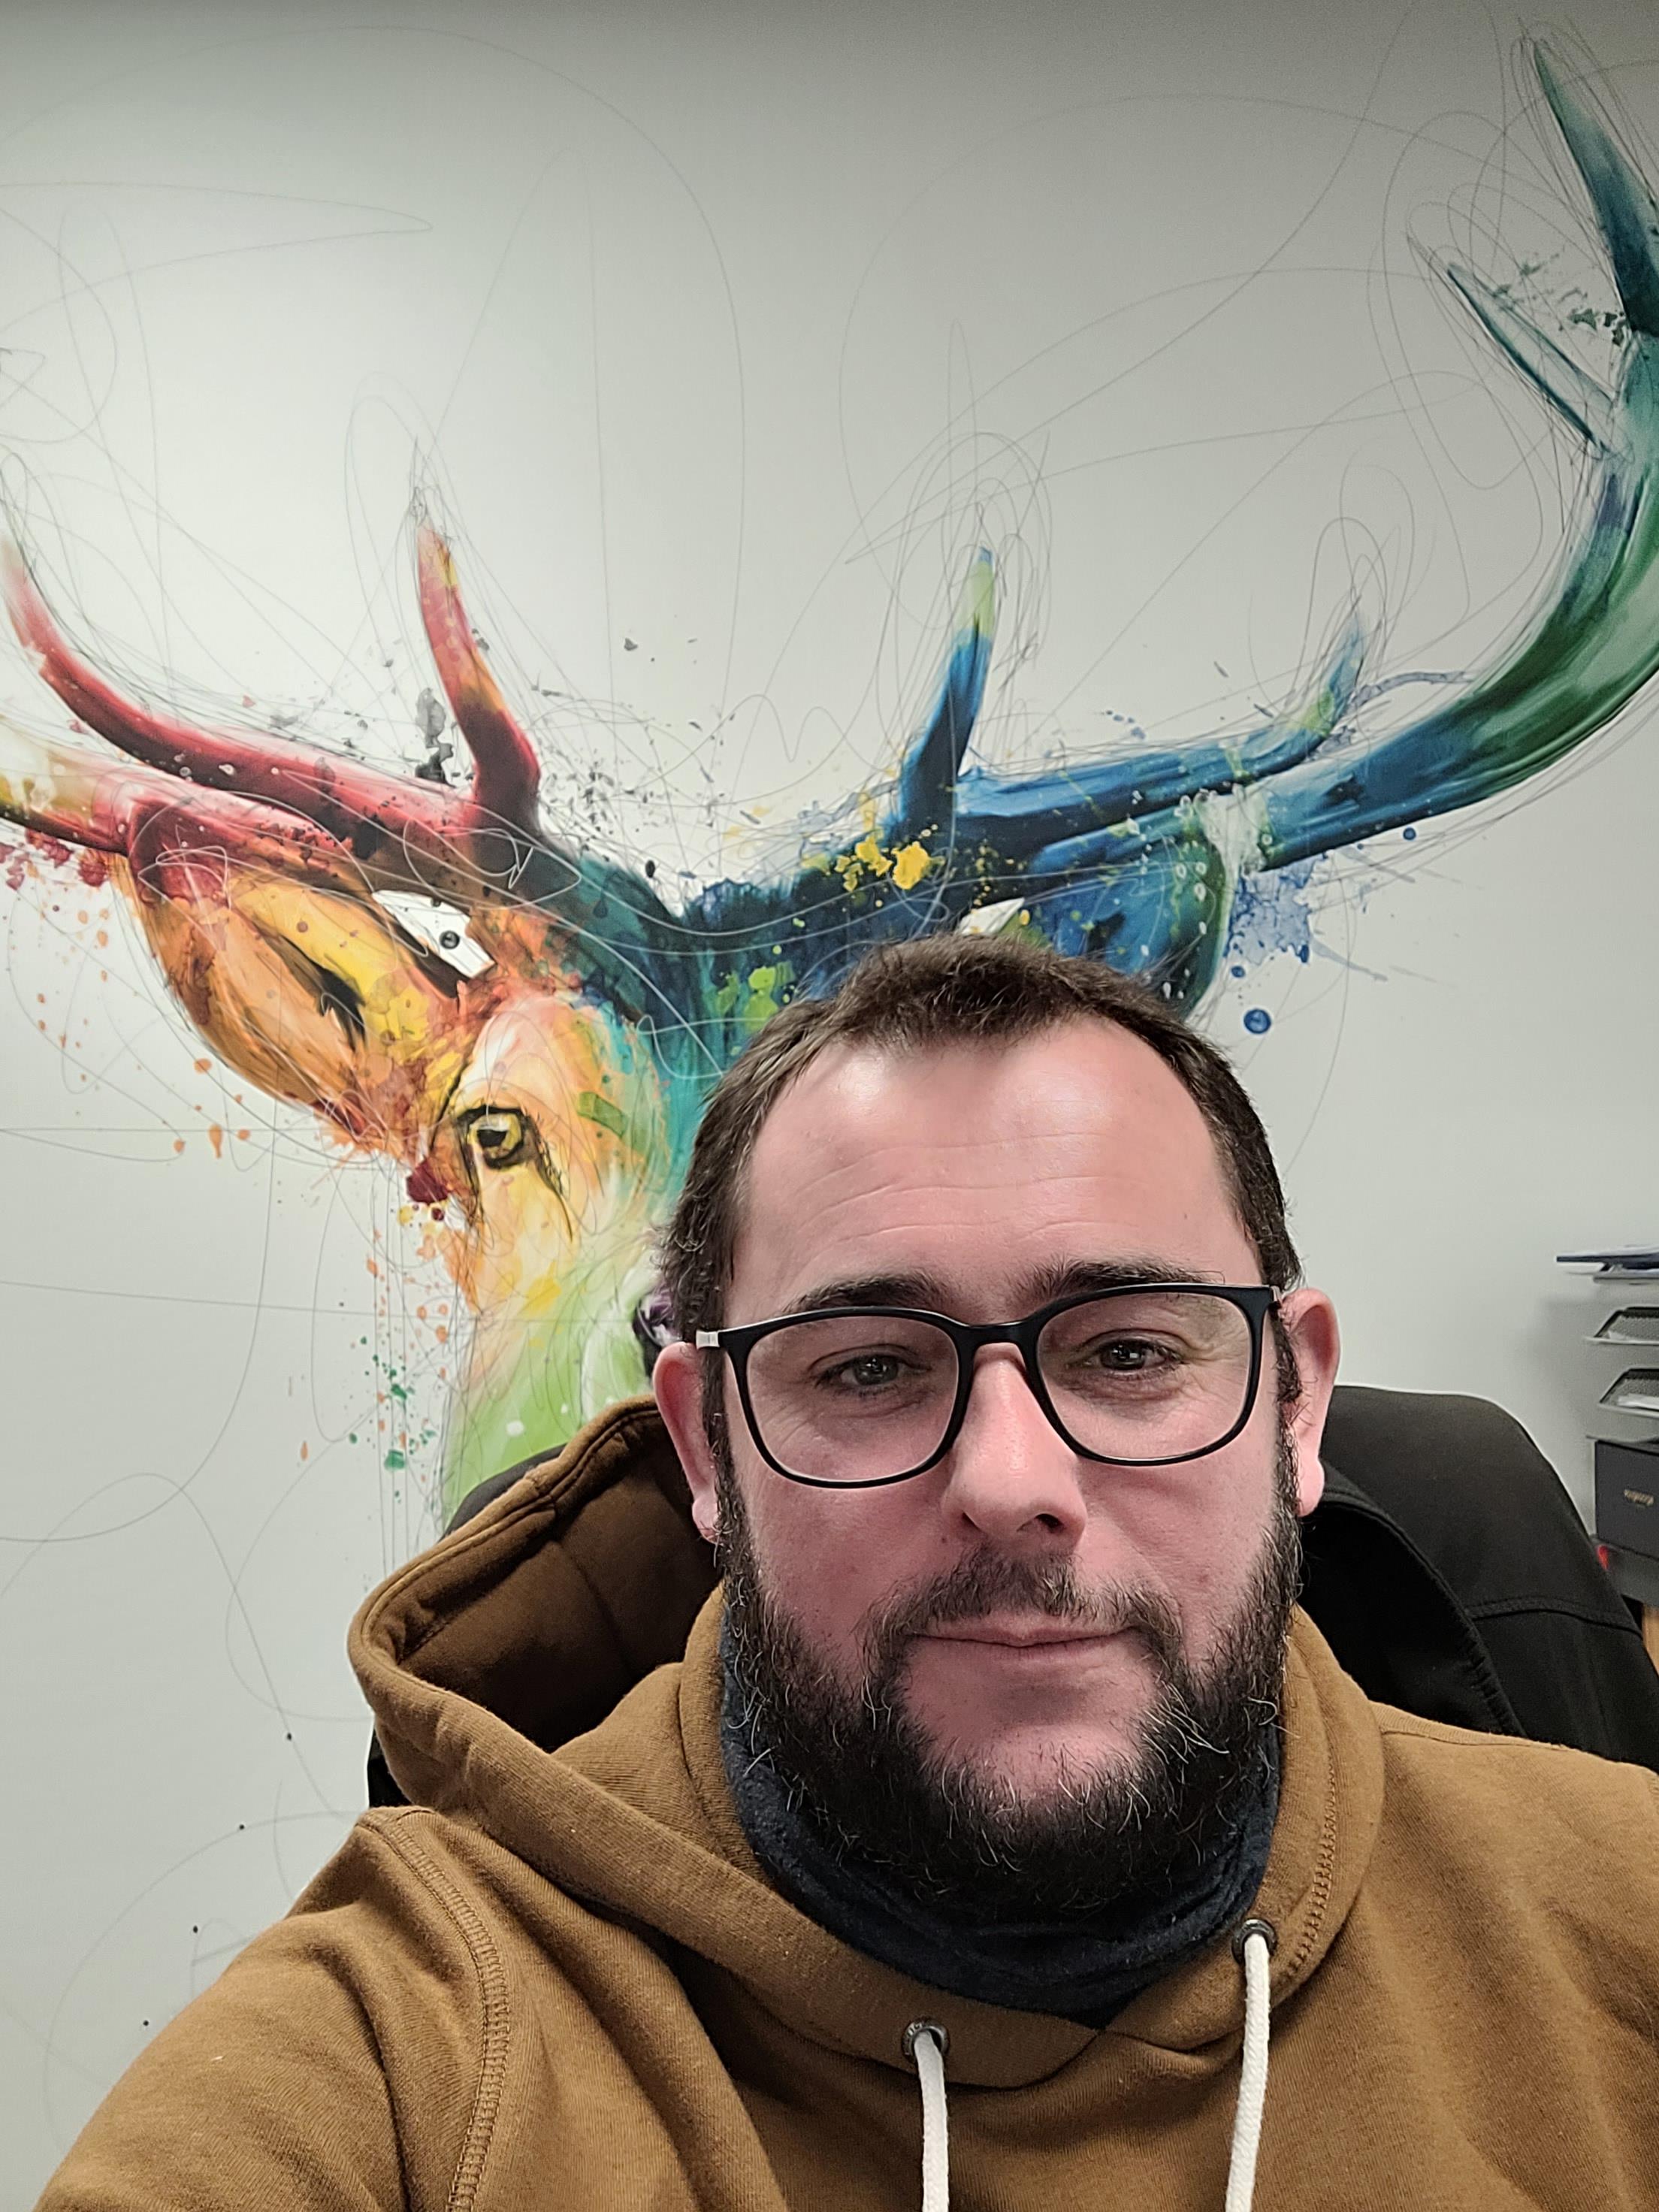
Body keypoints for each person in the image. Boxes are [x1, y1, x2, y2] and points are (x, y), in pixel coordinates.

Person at [37, 932, 1659, 2210]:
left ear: (1294, 1404)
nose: (1012, 1485)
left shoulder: (1623, 1920)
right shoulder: (404, 2056)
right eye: (871, 1366)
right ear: (707, 1448)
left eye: (1129, 1350)